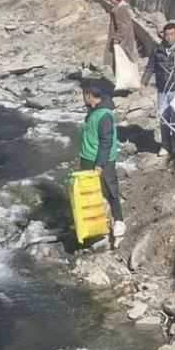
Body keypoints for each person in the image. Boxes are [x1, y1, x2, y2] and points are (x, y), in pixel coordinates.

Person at [140, 22, 175, 157]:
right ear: (163, 35)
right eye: (166, 35)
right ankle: (165, 145)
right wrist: (143, 83)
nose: (169, 37)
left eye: (172, 34)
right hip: (163, 90)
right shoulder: (157, 50)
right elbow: (150, 67)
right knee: (164, 118)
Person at [79, 84, 126, 239]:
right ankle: (93, 222)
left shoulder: (104, 115)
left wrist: (100, 164)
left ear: (89, 95)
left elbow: (106, 142)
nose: (83, 99)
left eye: (84, 95)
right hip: (88, 157)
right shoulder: (94, 109)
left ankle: (119, 221)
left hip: (101, 160)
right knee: (90, 191)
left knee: (110, 189)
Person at [106, 0, 138, 72]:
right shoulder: (121, 8)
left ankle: (123, 84)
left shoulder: (120, 10)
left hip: (123, 44)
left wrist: (117, 39)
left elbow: (123, 27)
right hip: (124, 43)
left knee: (120, 66)